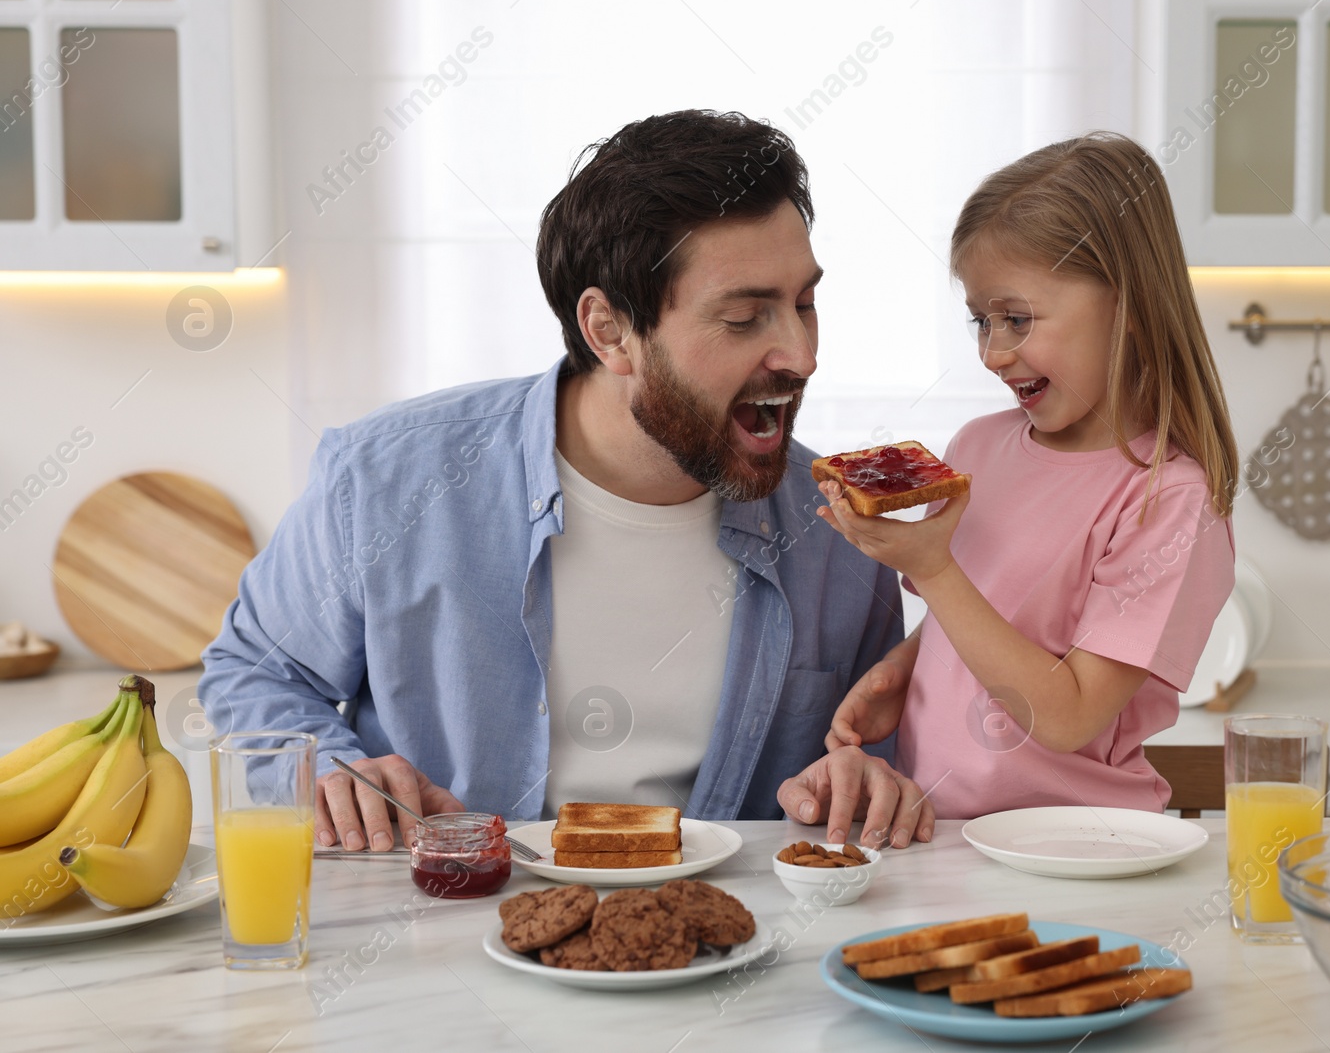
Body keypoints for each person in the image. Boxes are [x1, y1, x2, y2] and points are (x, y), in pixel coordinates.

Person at [199, 110, 934, 853]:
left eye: (804, 303)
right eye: (746, 318)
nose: (801, 354)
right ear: (609, 329)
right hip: (445, 929)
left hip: (726, 948)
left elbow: (865, 753)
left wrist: (868, 778)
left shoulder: (841, 527)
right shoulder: (386, 480)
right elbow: (253, 675)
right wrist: (331, 770)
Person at [818, 132, 1237, 819]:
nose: (991, 352)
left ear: (1127, 304)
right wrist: (909, 663)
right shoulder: (978, 448)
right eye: (980, 321)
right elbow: (999, 613)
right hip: (940, 833)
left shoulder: (1168, 502)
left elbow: (1070, 713)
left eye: (1016, 318)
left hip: (1078, 849)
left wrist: (937, 571)